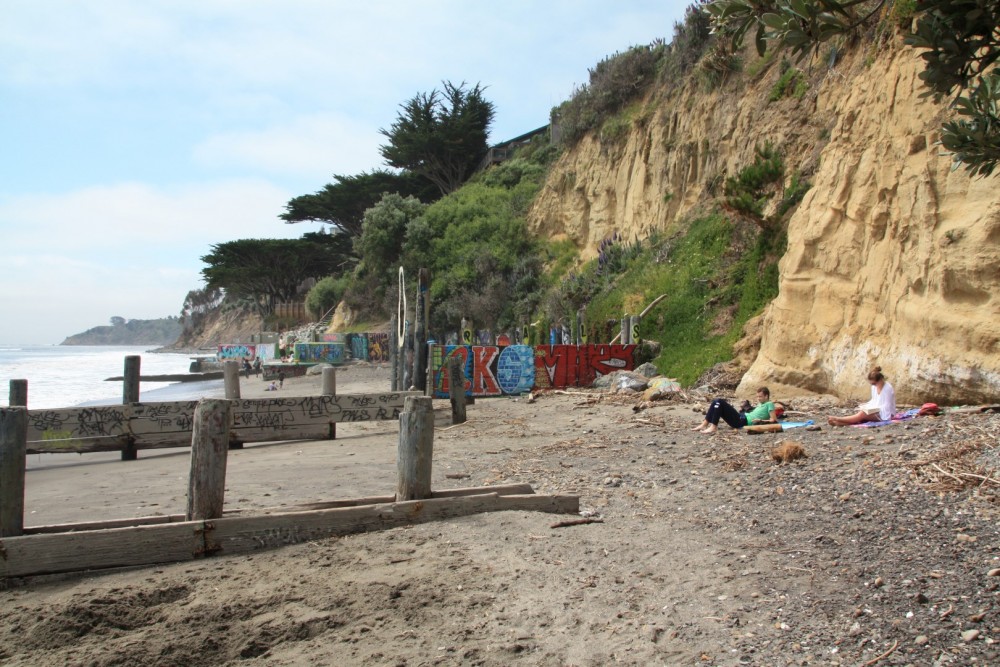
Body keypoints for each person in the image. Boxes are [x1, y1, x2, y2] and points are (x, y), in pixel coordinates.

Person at [691, 386, 785, 434]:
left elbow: (774, 420)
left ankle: (713, 426)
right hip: (742, 417)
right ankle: (704, 424)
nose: (758, 398)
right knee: (715, 401)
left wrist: (760, 421)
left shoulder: (770, 404)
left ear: (766, 396)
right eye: (757, 396)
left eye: (760, 397)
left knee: (719, 401)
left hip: (743, 421)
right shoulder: (761, 403)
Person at [828, 366, 896, 426]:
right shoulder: (874, 387)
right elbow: (874, 400)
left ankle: (838, 419)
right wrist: (866, 406)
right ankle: (840, 423)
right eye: (872, 384)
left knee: (862, 415)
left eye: (874, 383)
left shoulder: (888, 388)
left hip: (886, 413)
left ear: (880, 380)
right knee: (862, 414)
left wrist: (876, 411)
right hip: (878, 410)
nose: (873, 385)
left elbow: (887, 406)